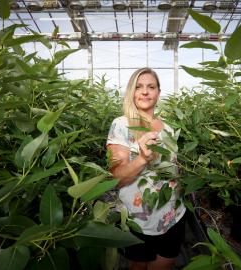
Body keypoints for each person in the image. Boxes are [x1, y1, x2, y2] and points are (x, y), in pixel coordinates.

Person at [106, 68, 186, 270]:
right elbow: (116, 178)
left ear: (158, 92)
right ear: (131, 92)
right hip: (138, 220)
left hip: (172, 215)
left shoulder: (167, 128)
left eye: (151, 87)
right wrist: (142, 158)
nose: (145, 92)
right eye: (139, 87)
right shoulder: (122, 125)